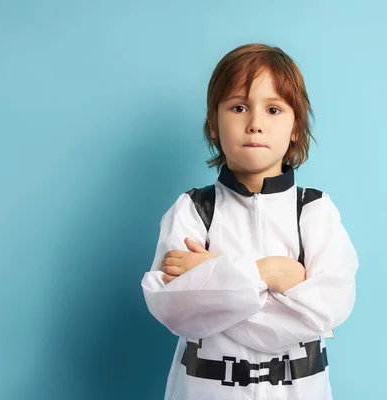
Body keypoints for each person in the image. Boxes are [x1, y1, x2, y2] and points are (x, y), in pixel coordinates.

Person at [141, 43, 359, 400]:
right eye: (239, 107)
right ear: (214, 124)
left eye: (273, 109)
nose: (255, 124)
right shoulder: (194, 210)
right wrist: (272, 274)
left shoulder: (314, 211)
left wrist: (215, 274)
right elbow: (175, 310)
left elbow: (328, 310)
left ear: (295, 128)